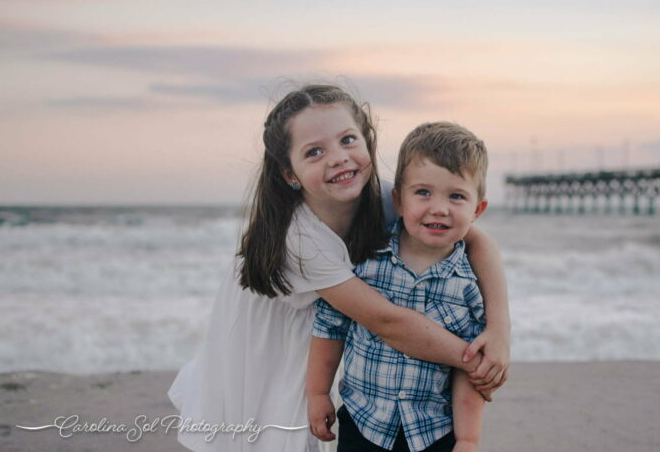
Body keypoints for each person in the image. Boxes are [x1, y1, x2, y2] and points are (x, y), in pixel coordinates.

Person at [168, 85, 511, 452]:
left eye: (347, 140)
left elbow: (478, 241)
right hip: (272, 344)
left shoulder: (393, 198)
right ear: (291, 174)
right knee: (276, 435)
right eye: (314, 152)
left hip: (327, 335)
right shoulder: (298, 239)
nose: (338, 158)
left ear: (367, 141)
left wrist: (499, 331)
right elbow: (387, 322)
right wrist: (477, 362)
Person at [307, 123, 491, 452]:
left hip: (433, 431)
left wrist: (468, 438)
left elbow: (468, 367)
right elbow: (330, 326)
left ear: (477, 209)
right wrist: (318, 393)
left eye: (456, 196)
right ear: (399, 201)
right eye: (423, 192)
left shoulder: (468, 287)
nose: (439, 208)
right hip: (364, 422)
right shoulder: (366, 260)